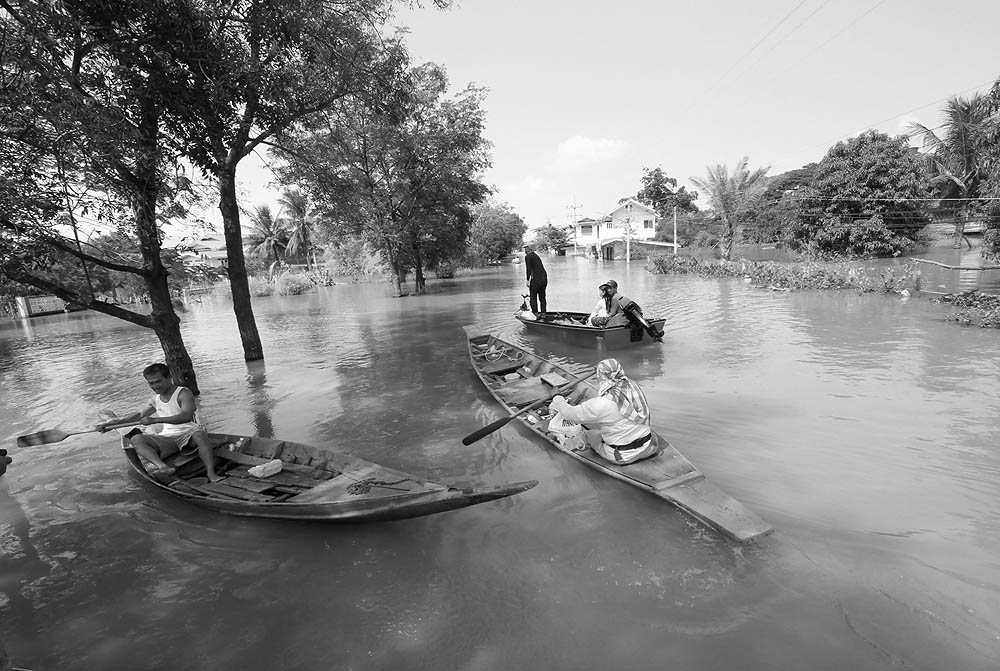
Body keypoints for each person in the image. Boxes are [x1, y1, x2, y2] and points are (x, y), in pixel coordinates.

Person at [97, 363, 221, 482]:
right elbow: (139, 415)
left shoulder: (183, 393)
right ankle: (163, 467)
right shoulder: (155, 399)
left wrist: (155, 420)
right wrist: (111, 425)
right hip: (168, 438)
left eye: (158, 381)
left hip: (190, 435)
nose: (155, 386)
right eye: (151, 383)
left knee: (200, 434)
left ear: (169, 378)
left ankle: (211, 474)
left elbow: (186, 416)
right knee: (136, 439)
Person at [548, 358, 660, 465]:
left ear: (601, 377)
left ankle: (566, 447)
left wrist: (557, 397)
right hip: (650, 447)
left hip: (623, 456)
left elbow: (570, 415)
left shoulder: (602, 404)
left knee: (588, 434)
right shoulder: (633, 386)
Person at [523, 244, 548, 313]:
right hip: (544, 279)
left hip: (536, 280)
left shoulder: (528, 256)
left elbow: (528, 269)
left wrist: (527, 280)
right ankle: (543, 313)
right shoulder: (536, 256)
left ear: (530, 249)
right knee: (542, 298)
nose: (525, 250)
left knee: (533, 298)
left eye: (526, 248)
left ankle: (535, 314)